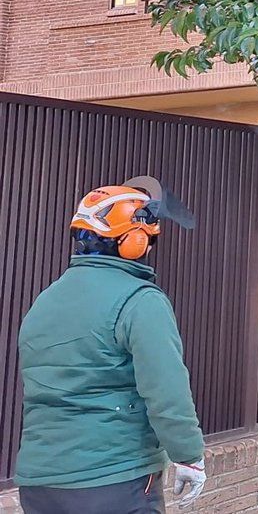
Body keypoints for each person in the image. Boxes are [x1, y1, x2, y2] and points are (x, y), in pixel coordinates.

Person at [15, 180, 207, 513]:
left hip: (38, 484)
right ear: (134, 240)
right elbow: (166, 390)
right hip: (113, 481)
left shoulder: (44, 302)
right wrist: (188, 456)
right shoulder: (140, 301)